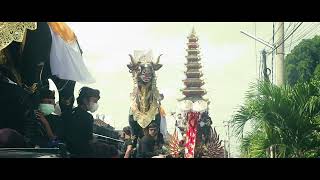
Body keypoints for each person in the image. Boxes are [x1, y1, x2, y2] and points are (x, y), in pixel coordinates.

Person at [64, 86, 100, 157]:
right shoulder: (88, 117)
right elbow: (89, 139)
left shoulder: (67, 113)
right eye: (94, 101)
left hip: (68, 151)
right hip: (83, 153)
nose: (96, 104)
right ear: (85, 100)